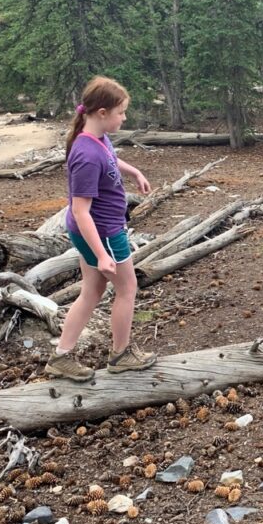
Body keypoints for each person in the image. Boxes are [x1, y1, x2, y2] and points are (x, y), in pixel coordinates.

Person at [44, 76, 157, 381]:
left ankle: (61, 357)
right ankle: (121, 354)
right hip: (103, 233)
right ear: (102, 112)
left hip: (101, 232)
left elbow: (111, 158)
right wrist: (101, 254)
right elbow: (81, 211)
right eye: (121, 112)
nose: (125, 117)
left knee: (92, 290)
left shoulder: (95, 137)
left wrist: (133, 171)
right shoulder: (86, 155)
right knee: (127, 288)